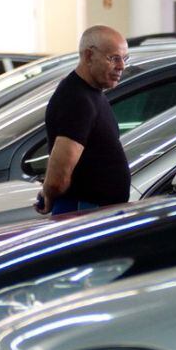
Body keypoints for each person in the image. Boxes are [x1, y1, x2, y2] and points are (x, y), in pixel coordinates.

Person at [36, 25, 131, 215]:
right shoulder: (77, 99)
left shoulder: (90, 92)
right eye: (114, 58)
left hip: (94, 209)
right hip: (83, 211)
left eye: (125, 58)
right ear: (89, 56)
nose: (122, 66)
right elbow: (59, 175)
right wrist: (49, 195)